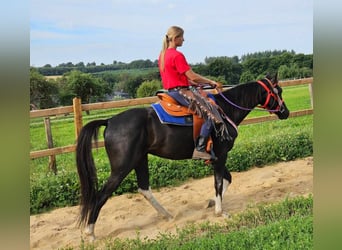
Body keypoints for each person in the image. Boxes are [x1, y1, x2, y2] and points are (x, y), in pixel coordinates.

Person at [158, 26, 221, 160]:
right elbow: (192, 76)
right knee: (211, 112)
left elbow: (177, 77)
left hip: (171, 91)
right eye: (182, 37)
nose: (184, 40)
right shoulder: (177, 55)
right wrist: (211, 81)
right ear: (175, 39)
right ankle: (200, 148)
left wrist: (192, 83)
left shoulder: (162, 55)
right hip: (181, 92)